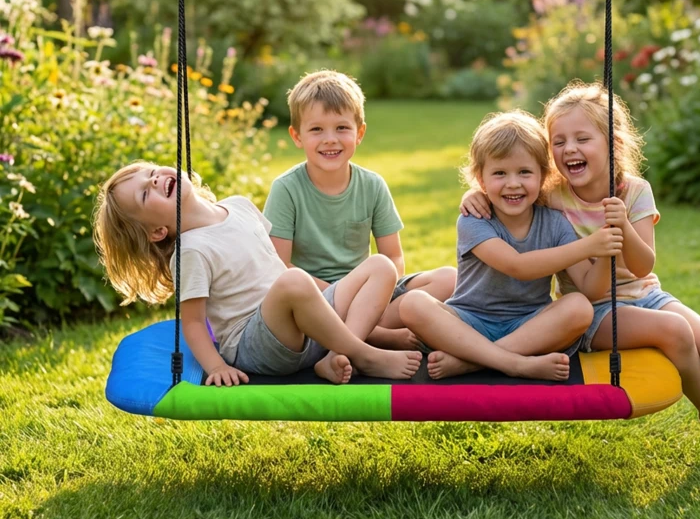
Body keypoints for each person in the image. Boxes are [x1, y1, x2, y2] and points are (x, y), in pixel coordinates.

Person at [461, 81, 700, 463]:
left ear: (613, 144)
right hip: (596, 312)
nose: (569, 149)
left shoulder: (635, 191)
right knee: (675, 331)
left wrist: (622, 227)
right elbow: (508, 187)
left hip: (647, 294)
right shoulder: (552, 197)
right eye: (558, 141)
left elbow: (643, 266)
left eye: (582, 138)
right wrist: (472, 194)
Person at [93, 162, 422, 387]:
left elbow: (271, 264)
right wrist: (217, 367)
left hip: (301, 325)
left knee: (381, 265)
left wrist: (325, 298)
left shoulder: (238, 205)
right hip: (257, 343)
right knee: (293, 282)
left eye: (151, 172)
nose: (153, 179)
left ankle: (335, 355)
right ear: (156, 232)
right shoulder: (191, 251)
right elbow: (193, 322)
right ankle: (363, 354)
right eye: (144, 194)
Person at [398, 110, 624, 380]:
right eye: (500, 173)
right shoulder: (475, 220)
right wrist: (589, 246)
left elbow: (590, 289)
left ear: (543, 176)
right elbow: (517, 266)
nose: (513, 183)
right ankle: (515, 363)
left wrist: (605, 250)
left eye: (525, 172)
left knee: (578, 307)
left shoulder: (554, 223)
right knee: (412, 304)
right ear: (480, 179)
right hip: (468, 323)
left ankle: (474, 361)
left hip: (528, 328)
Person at [263, 69, 457, 352]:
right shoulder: (286, 189)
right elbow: (280, 266)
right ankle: (366, 339)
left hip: (371, 295)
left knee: (449, 278)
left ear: (360, 133)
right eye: (317, 129)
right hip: (317, 302)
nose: (330, 139)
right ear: (297, 136)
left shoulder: (373, 185)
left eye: (342, 128)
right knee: (312, 302)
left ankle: (361, 330)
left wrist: (372, 297)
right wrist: (340, 293)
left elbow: (393, 256)